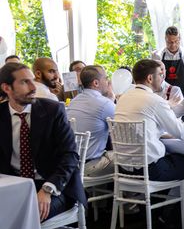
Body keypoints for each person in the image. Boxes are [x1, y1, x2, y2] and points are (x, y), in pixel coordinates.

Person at [115, 59, 184, 223]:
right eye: (160, 74)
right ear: (150, 79)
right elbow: (182, 132)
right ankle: (174, 220)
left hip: (124, 168)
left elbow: (163, 117)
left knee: (174, 160)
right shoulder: (154, 100)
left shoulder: (124, 98)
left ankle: (153, 215)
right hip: (149, 169)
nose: (163, 78)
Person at [0, 62, 86, 220]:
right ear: (7, 88)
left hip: (54, 185)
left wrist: (47, 189)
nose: (33, 87)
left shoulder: (52, 110)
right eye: (25, 82)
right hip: (13, 185)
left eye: (32, 80)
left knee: (24, 214)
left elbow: (70, 155)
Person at [67, 65, 116, 177]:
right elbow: (126, 129)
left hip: (73, 164)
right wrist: (111, 97)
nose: (108, 81)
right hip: (90, 166)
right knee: (130, 158)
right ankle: (130, 193)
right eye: (105, 78)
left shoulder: (74, 101)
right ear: (96, 83)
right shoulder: (104, 103)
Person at [152, 26, 184, 96]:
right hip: (163, 98)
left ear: (180, 39)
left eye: (176, 41)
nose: (173, 45)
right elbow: (152, 79)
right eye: (169, 42)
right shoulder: (157, 55)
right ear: (165, 39)